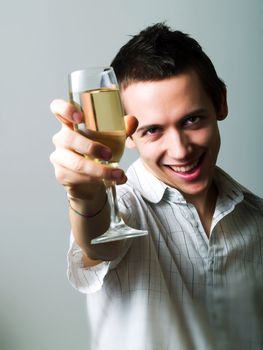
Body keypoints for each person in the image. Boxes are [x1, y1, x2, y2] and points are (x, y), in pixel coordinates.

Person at [50, 23, 263, 350]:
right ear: (128, 134)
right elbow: (98, 243)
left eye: (191, 120)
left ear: (220, 102)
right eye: (152, 130)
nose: (180, 150)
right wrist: (85, 198)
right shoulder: (126, 208)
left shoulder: (257, 219)